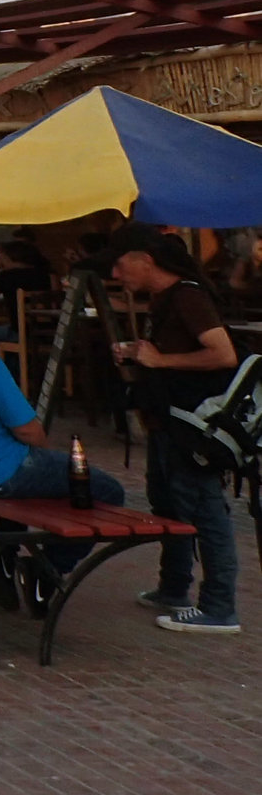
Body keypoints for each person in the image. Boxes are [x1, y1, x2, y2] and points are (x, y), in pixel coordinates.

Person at [0, 271, 121, 594]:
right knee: (107, 490)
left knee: (42, 472)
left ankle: (2, 547)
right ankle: (47, 569)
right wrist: (41, 453)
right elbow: (29, 431)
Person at [104, 224, 241, 634]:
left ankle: (219, 606)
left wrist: (161, 362)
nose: (115, 273)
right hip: (167, 421)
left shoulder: (188, 296)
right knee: (169, 504)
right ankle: (174, 586)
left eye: (120, 263)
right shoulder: (164, 299)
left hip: (192, 425)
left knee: (204, 509)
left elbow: (223, 354)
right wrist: (139, 355)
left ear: (146, 260)